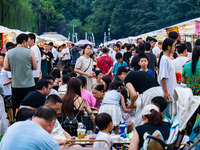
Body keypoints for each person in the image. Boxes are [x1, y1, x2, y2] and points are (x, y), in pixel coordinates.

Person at [4, 33, 37, 111]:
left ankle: (18, 119)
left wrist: (15, 69)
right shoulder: (30, 52)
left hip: (16, 84)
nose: (28, 44)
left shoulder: (9, 53)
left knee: (17, 105)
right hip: (29, 84)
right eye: (27, 42)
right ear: (24, 42)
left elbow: (5, 67)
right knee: (29, 104)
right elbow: (35, 67)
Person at [158, 38, 177, 118]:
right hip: (167, 92)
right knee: (167, 115)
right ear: (169, 47)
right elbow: (163, 77)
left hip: (170, 90)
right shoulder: (164, 59)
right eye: (173, 46)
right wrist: (165, 92)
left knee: (170, 114)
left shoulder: (167, 58)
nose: (174, 48)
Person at [0, 53, 13, 124]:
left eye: (0, 58)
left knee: (9, 107)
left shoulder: (7, 69)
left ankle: (11, 120)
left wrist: (3, 84)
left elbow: (11, 79)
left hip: (7, 91)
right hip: (1, 91)